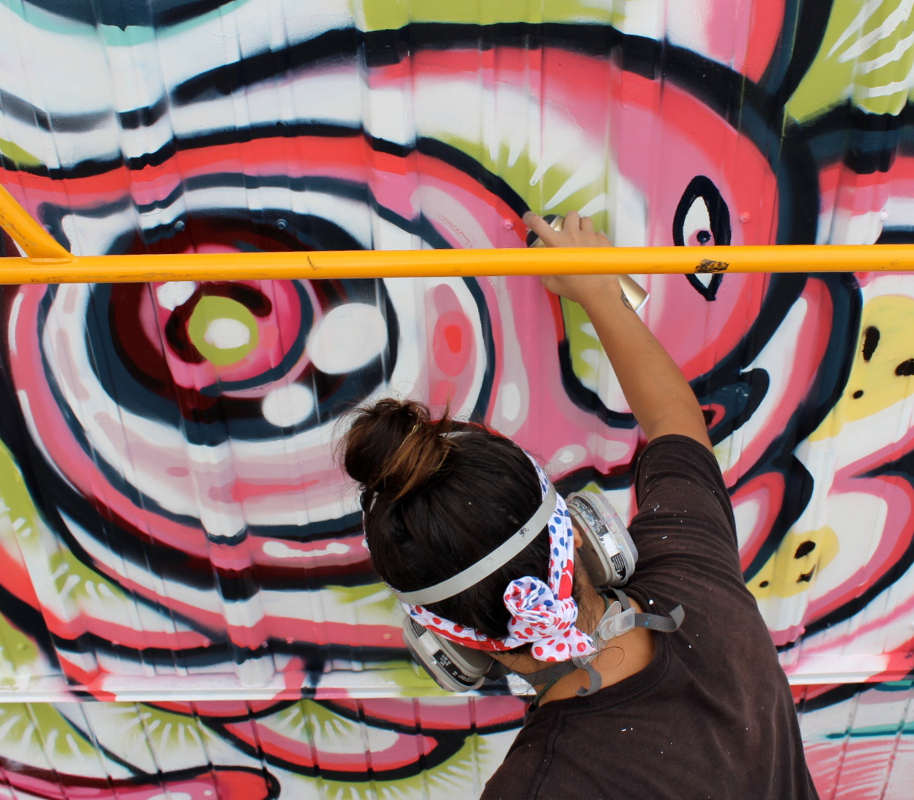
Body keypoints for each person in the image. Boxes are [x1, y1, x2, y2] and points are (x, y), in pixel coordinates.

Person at [341, 211, 818, 799]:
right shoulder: (698, 581)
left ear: (450, 650)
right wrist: (600, 292)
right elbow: (675, 422)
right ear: (584, 532)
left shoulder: (534, 788)